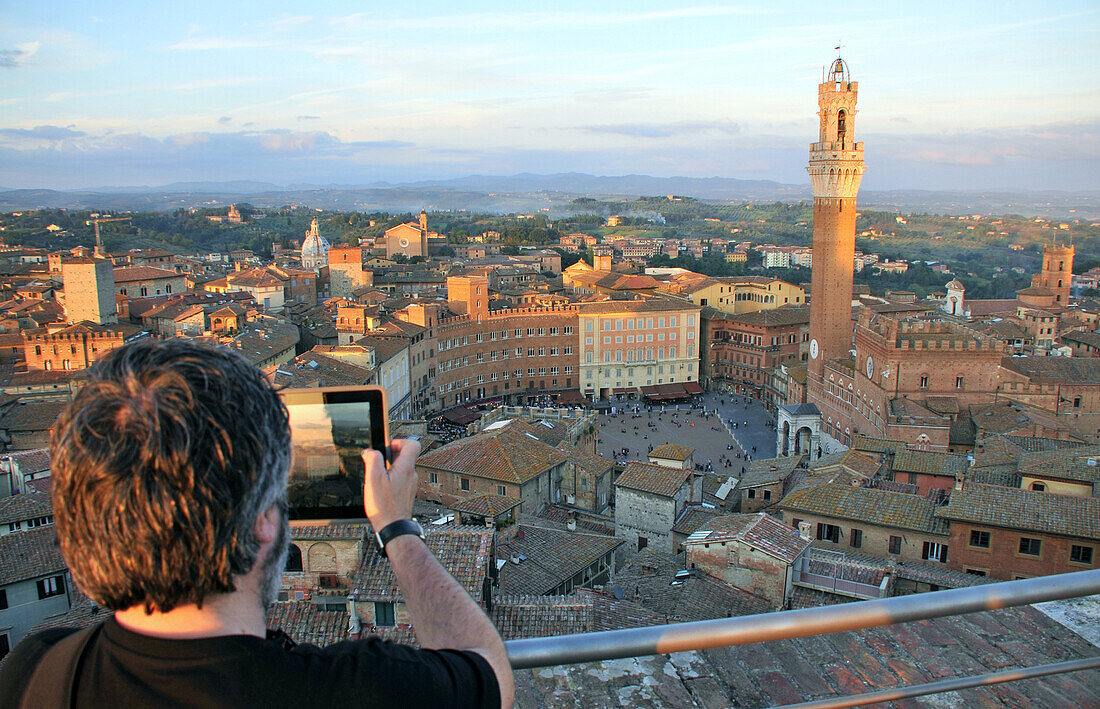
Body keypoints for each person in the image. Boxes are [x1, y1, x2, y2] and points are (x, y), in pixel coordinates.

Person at [0, 339, 513, 708]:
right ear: (263, 522)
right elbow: (491, 672)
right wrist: (397, 528)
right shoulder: (361, 689)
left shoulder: (33, 673)